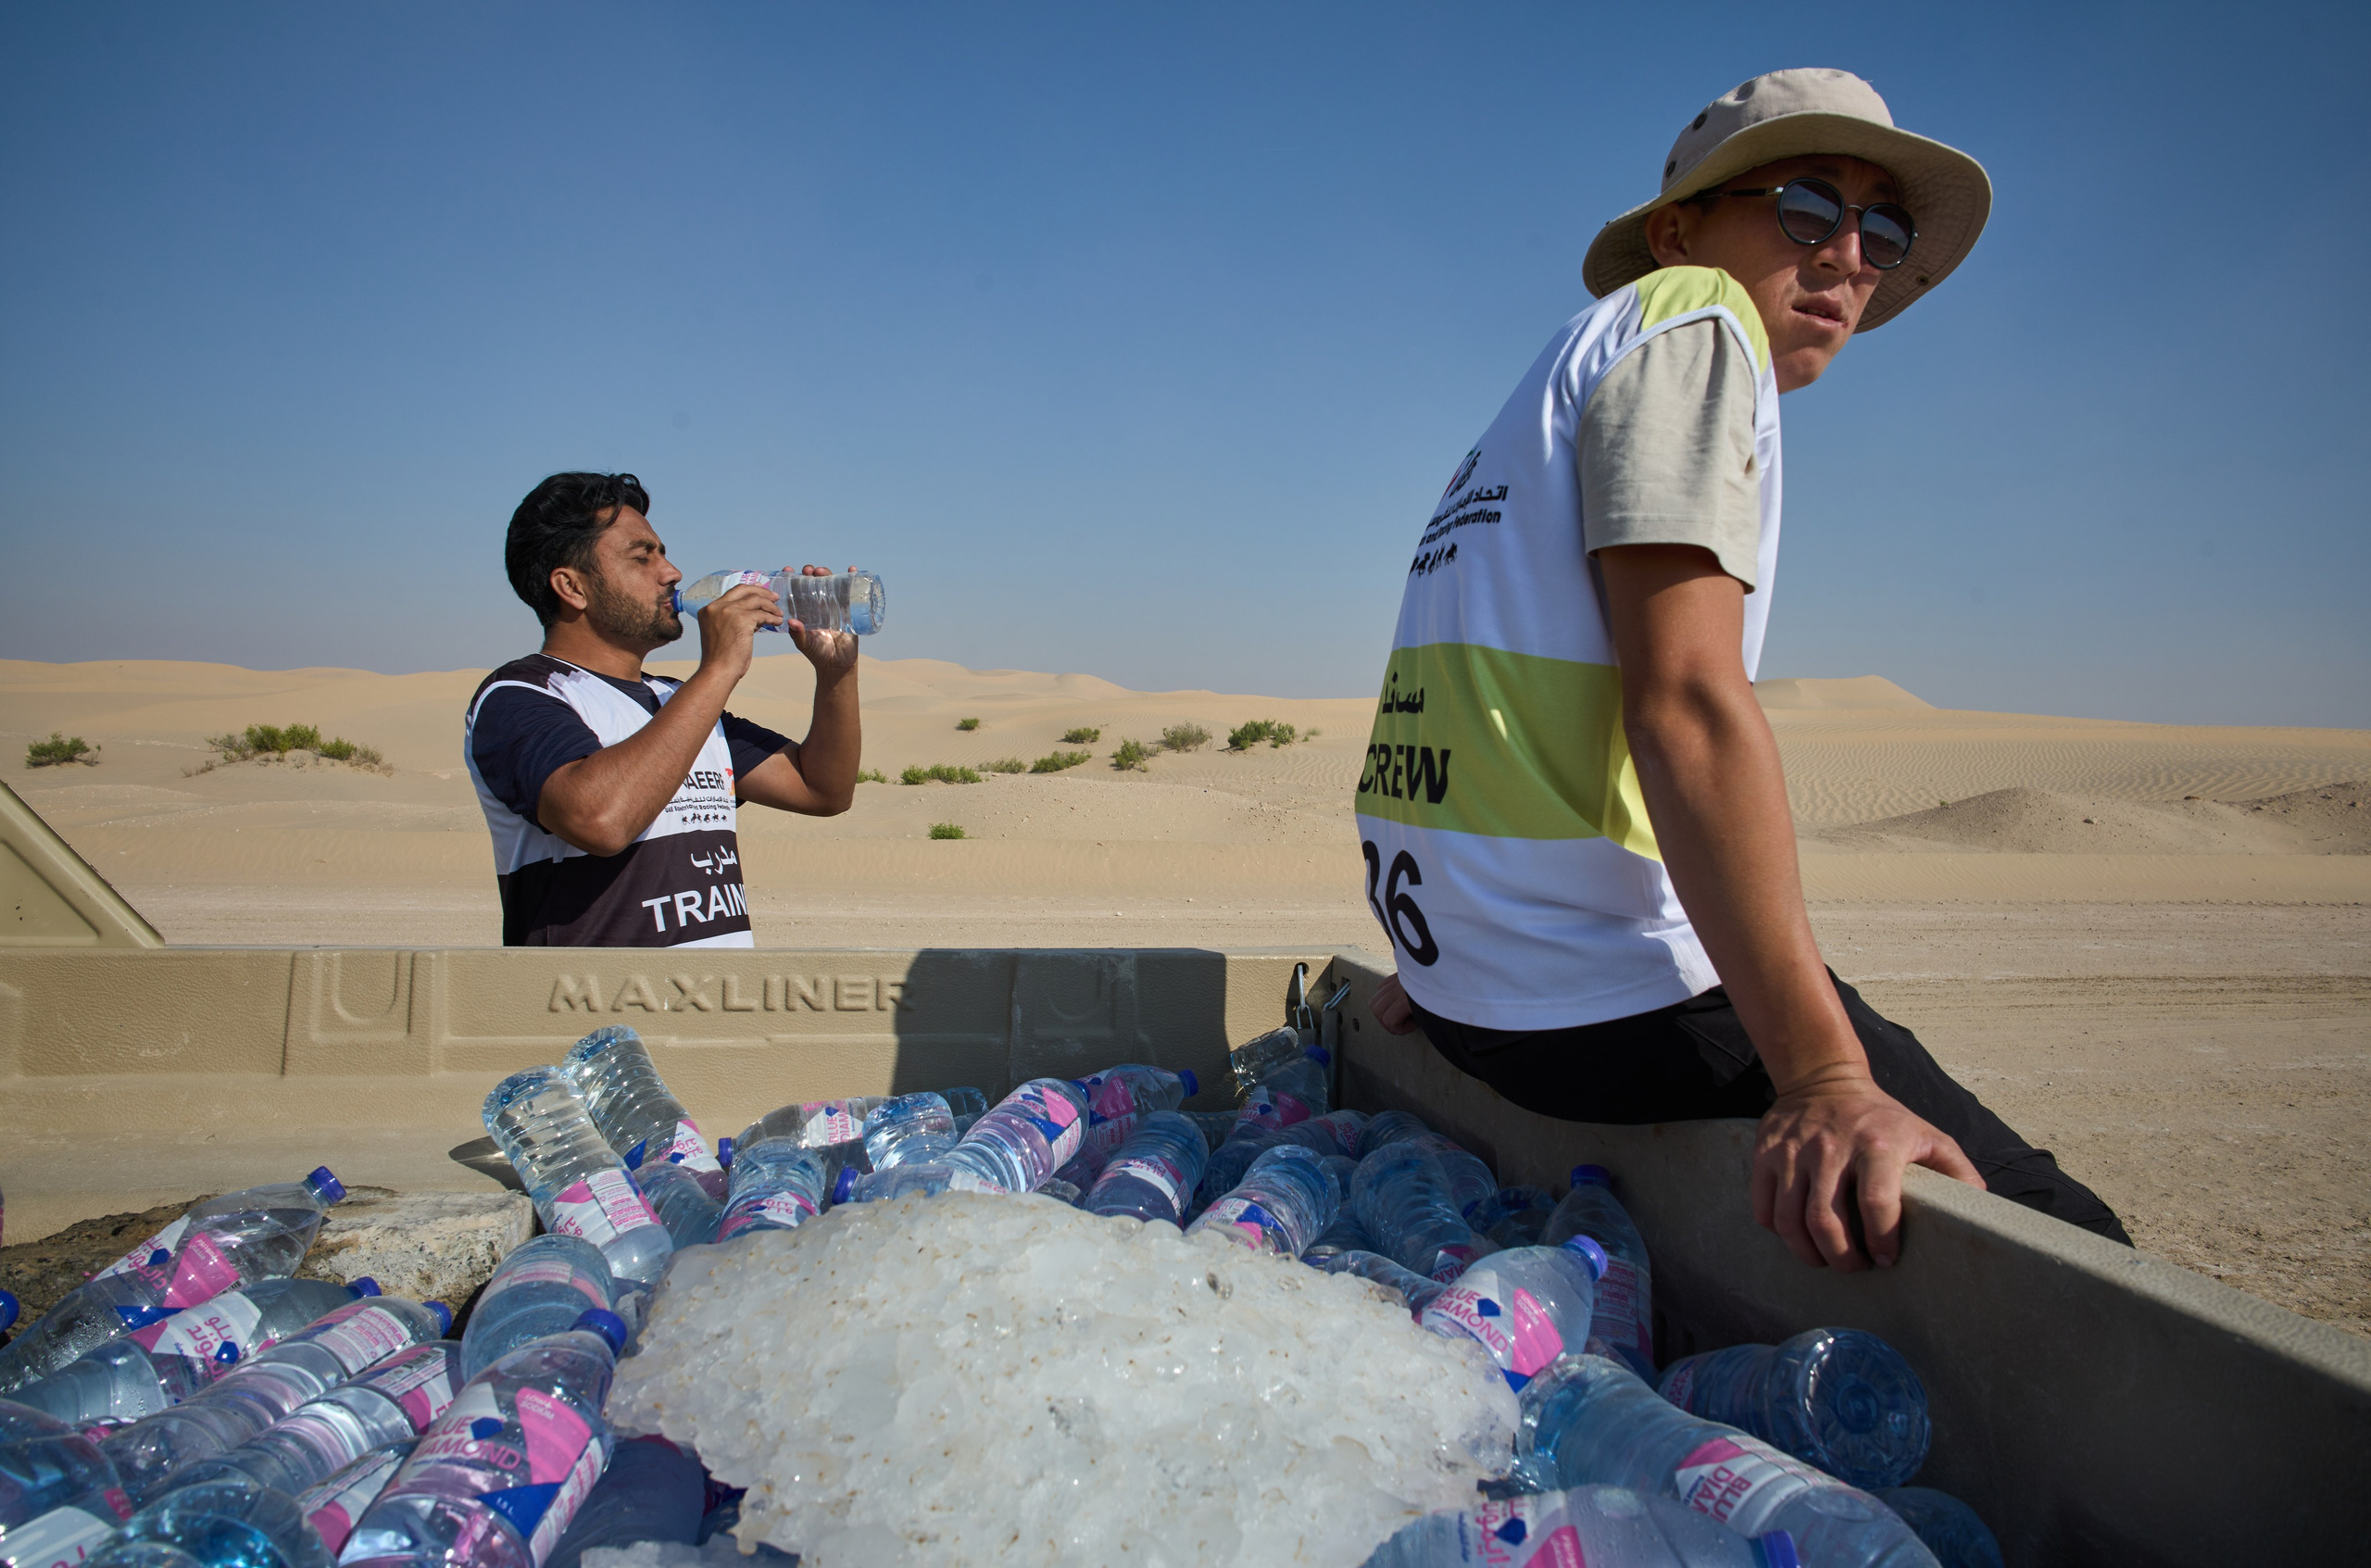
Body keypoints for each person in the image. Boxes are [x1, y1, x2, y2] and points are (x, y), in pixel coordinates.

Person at [1357, 69, 2130, 1271]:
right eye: (1809, 208)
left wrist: (1449, 958)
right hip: (1602, 1004)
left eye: (1883, 229)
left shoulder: (1535, 402)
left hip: (1482, 1008)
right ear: (1680, 231)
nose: (1850, 257)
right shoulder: (1692, 318)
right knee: (2078, 1245)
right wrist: (1823, 1074)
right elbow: (1688, 702)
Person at [465, 471, 859, 946]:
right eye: (642, 557)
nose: (671, 572)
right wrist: (717, 671)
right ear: (572, 587)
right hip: (596, 1010)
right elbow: (600, 821)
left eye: (664, 553)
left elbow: (822, 790)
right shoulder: (520, 696)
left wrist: (836, 673)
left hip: (715, 1009)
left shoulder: (677, 702)